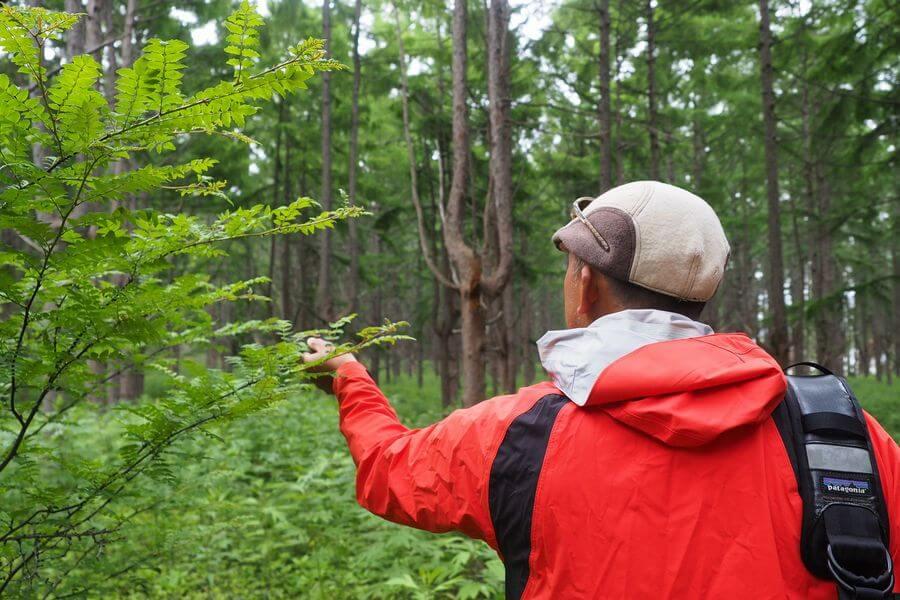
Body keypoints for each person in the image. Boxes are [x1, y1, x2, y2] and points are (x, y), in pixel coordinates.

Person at [302, 181, 899, 599]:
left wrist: (349, 377)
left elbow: (389, 469)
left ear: (585, 284)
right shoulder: (839, 431)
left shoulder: (513, 434)